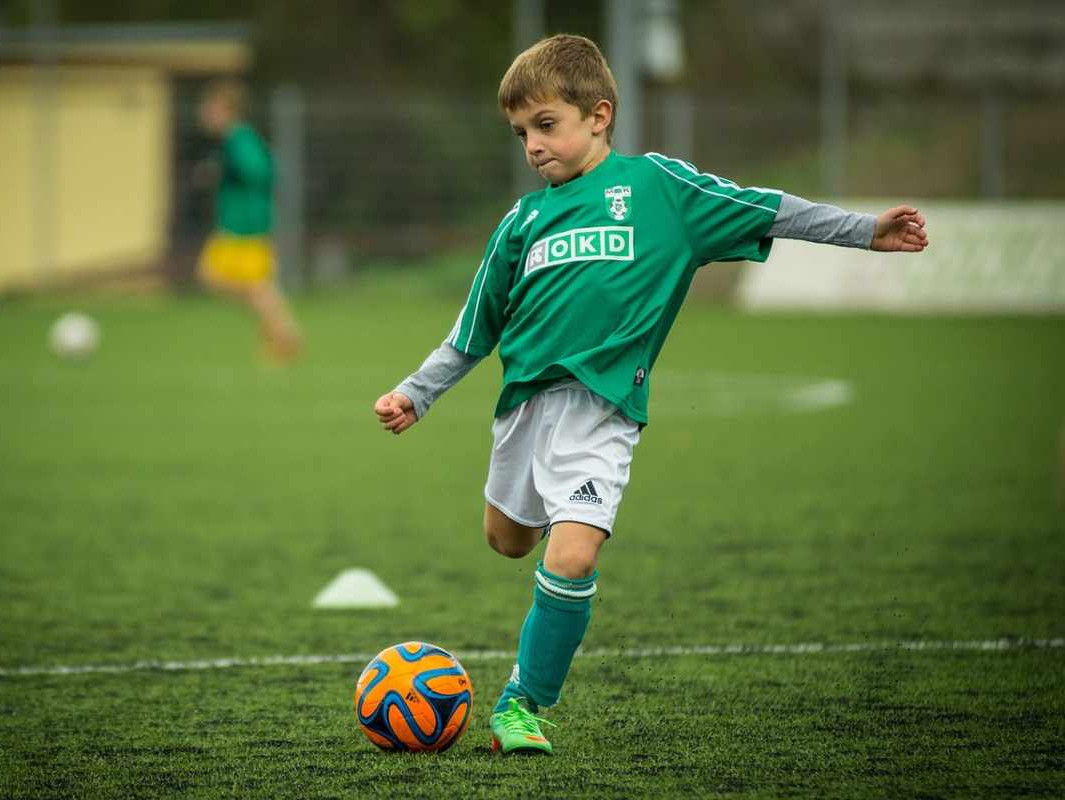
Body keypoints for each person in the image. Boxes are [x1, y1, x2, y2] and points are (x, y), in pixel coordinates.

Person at [373, 34, 927, 756]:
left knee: (570, 558)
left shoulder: (660, 190)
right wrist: (417, 394)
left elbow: (767, 208)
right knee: (507, 540)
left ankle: (523, 704)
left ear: (599, 115)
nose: (533, 146)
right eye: (520, 134)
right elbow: (473, 330)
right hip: (524, 412)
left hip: (602, 413)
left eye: (547, 125)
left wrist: (864, 231)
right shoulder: (521, 223)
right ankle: (553, 531)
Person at [196, 80, 301, 361]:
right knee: (242, 284)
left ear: (226, 110)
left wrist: (225, 173)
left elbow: (260, 170)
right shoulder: (235, 140)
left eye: (210, 109)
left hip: (244, 225)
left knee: (231, 281)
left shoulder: (238, 138)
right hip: (239, 223)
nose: (205, 114)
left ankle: (283, 332)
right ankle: (281, 330)